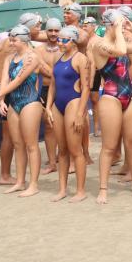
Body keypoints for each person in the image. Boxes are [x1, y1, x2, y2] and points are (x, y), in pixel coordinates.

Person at [88, 10, 132, 203]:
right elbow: (121, 51)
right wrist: (119, 30)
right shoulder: (99, 44)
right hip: (111, 97)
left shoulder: (119, 42)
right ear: (110, 25)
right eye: (119, 23)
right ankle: (103, 189)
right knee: (109, 146)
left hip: (128, 96)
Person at [0, 25, 45, 197]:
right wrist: (1, 100)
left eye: (14, 40)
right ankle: (20, 182)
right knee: (17, 145)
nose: (11, 43)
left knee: (31, 145)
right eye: (10, 39)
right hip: (13, 102)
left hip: (30, 102)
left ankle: (34, 184)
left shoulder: (32, 57)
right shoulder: (10, 57)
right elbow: (5, 79)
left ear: (23, 41)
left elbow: (18, 80)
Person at [44, 26, 91, 202]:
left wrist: (80, 113)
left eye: (64, 40)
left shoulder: (81, 59)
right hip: (58, 104)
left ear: (73, 41)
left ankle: (80, 191)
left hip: (73, 102)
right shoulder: (58, 57)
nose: (60, 42)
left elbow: (86, 88)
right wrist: (48, 106)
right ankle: (62, 189)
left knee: (75, 150)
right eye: (59, 39)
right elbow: (53, 85)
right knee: (62, 150)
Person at [36, 18, 63, 175]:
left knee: (67, 126)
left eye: (56, 30)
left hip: (64, 90)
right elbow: (33, 73)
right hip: (46, 90)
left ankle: (68, 159)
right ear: (45, 32)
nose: (53, 33)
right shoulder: (38, 50)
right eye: (50, 30)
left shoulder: (66, 47)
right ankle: (52, 162)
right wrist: (36, 93)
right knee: (48, 126)